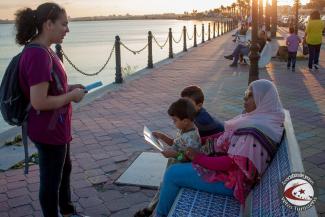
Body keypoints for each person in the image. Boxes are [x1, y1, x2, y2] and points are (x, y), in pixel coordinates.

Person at [154, 79, 285, 217]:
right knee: (178, 169)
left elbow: (230, 163)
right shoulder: (260, 119)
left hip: (233, 182)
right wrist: (203, 140)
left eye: (251, 95)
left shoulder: (255, 130)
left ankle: (160, 214)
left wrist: (198, 157)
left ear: (263, 100)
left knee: (173, 173)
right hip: (229, 173)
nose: (245, 98)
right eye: (246, 93)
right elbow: (226, 136)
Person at [15, 2, 87, 217]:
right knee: (51, 182)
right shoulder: (37, 55)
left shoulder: (45, 51)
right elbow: (39, 101)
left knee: (64, 171)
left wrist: (70, 88)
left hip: (56, 129)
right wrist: (71, 97)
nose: (67, 29)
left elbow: (50, 87)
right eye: (64, 24)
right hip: (48, 131)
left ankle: (67, 211)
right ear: (48, 24)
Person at [134, 98, 201, 217]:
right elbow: (174, 143)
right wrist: (161, 136)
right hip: (173, 165)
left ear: (185, 121)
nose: (173, 123)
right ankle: (150, 208)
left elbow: (189, 158)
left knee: (166, 187)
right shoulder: (184, 130)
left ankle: (152, 210)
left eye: (175, 120)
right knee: (163, 186)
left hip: (180, 169)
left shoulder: (191, 137)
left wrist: (174, 154)